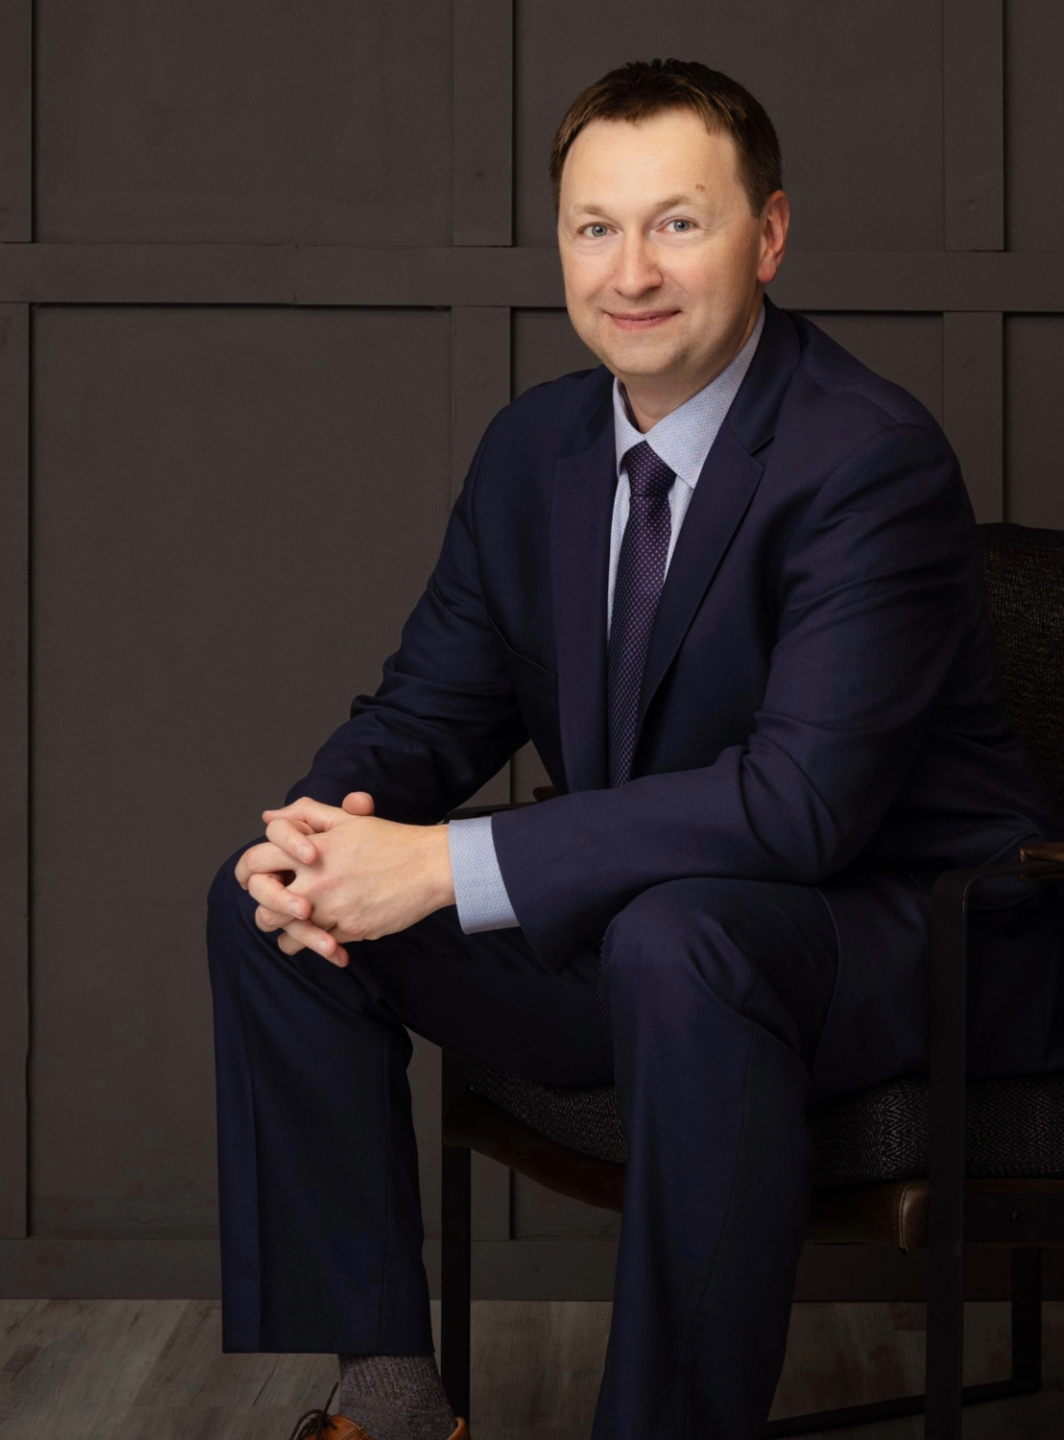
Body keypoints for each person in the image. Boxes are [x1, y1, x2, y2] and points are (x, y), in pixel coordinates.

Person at [205, 58, 1064, 1440]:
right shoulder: (532, 450)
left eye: (679, 223)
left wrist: (446, 863)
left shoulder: (868, 459)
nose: (632, 272)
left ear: (767, 235)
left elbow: (802, 808)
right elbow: (427, 712)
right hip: (649, 925)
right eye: (595, 227)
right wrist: (317, 834)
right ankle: (387, 1397)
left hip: (910, 937)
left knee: (681, 939)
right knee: (266, 909)